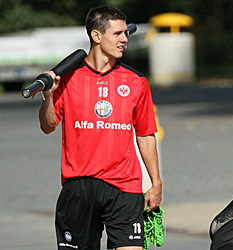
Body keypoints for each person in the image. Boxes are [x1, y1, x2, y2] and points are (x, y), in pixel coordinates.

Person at [38, 5, 162, 250]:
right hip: (79, 186)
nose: (125, 39)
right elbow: (48, 126)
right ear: (96, 36)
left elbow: (146, 134)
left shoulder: (136, 82)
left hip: (125, 186)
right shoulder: (69, 78)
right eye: (118, 34)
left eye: (126, 33)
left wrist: (156, 182)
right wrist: (48, 97)